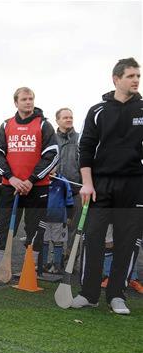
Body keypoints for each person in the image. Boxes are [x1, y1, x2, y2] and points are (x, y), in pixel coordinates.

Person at [71, 57, 143, 315]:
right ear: (116, 79)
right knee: (93, 238)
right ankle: (89, 294)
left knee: (126, 241)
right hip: (100, 185)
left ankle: (116, 294)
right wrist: (87, 184)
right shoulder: (97, 111)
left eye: (138, 76)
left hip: (134, 186)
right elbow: (86, 148)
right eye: (131, 76)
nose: (136, 80)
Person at [0, 87, 58, 280]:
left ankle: (30, 271)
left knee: (35, 229)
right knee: (4, 228)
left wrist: (31, 180)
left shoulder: (44, 125)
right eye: (24, 99)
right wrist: (11, 178)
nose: (28, 102)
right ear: (16, 102)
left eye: (31, 98)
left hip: (37, 187)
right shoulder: (7, 125)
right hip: (10, 186)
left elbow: (52, 154)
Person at [54, 107, 82, 260]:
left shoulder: (80, 138)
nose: (69, 119)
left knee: (75, 228)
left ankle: (71, 258)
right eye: (65, 117)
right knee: (55, 226)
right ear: (57, 120)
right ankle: (55, 258)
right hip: (56, 192)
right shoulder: (51, 139)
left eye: (70, 117)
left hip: (76, 191)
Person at [42, 171, 74, 274]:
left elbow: (69, 201)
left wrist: (69, 217)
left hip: (59, 219)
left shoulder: (63, 182)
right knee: (44, 241)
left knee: (58, 241)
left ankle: (57, 265)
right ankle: (43, 264)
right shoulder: (41, 180)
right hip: (43, 218)